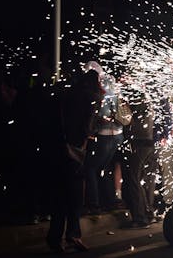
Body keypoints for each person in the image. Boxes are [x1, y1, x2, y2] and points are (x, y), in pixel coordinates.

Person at [46, 70, 103, 253]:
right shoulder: (90, 98)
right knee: (75, 197)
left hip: (59, 149)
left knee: (60, 196)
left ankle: (56, 238)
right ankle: (72, 235)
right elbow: (87, 127)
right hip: (75, 151)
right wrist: (88, 137)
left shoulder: (66, 94)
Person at [84, 73, 124, 214]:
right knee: (106, 168)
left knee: (92, 169)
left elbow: (103, 117)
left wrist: (94, 126)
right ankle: (111, 200)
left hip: (105, 137)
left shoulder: (103, 97)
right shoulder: (117, 95)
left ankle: (95, 203)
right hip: (119, 136)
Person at [124, 88, 155, 229]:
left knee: (134, 179)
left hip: (140, 143)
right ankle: (146, 213)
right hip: (146, 143)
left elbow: (127, 119)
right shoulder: (146, 101)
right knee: (138, 179)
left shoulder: (139, 104)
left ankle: (140, 218)